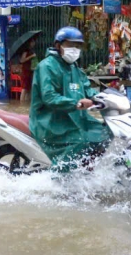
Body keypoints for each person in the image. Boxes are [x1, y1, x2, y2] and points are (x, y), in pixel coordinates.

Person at [29, 27, 112, 171]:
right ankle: (60, 178)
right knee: (80, 140)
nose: (74, 49)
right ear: (58, 45)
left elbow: (87, 89)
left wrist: (104, 98)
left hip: (73, 118)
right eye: (70, 45)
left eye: (77, 46)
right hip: (50, 121)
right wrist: (77, 103)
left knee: (105, 133)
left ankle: (86, 170)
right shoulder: (46, 67)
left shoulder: (75, 68)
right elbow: (49, 97)